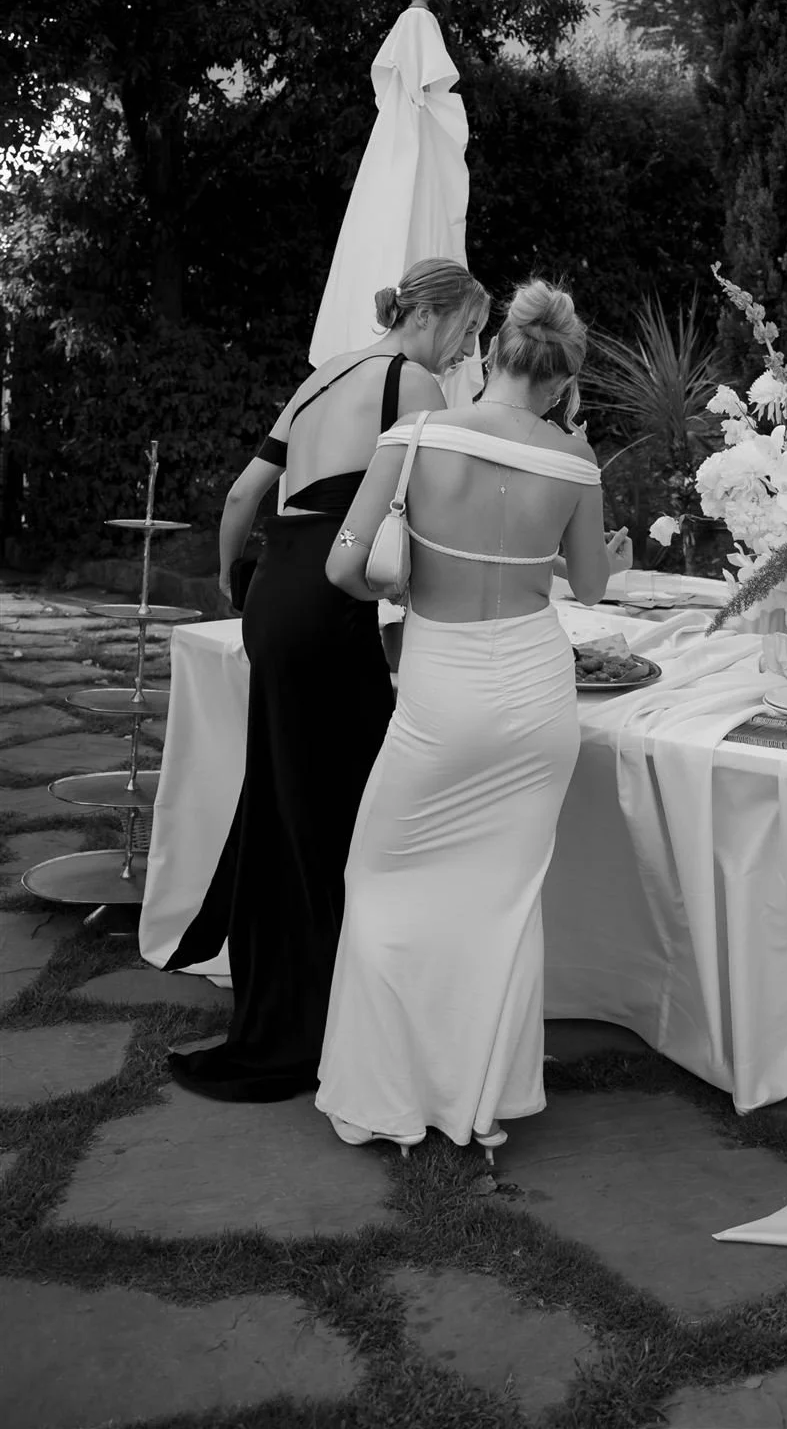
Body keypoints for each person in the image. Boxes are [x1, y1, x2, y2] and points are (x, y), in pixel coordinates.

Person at [314, 279, 633, 1158]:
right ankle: (481, 1102)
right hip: (536, 695)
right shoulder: (575, 460)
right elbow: (593, 586)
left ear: (491, 352)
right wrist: (608, 551)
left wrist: (399, 575)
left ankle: (385, 1096)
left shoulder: (414, 435)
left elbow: (345, 569)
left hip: (443, 687)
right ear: (565, 381)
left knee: (380, 881)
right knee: (503, 902)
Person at [167, 258, 490, 1103]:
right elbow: (437, 511)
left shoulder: (318, 381)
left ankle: (289, 999)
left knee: (286, 796)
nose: (468, 353)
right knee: (343, 806)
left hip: (278, 586)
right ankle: (325, 1019)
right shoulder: (412, 382)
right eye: (469, 334)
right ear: (437, 319)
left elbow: (243, 497)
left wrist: (234, 585)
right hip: (334, 600)